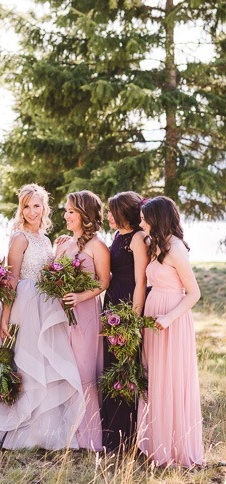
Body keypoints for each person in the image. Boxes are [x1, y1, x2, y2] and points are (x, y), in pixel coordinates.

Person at [0, 184, 86, 450]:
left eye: (36, 205)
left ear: (44, 208)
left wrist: (59, 253)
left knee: (44, 364)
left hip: (45, 305)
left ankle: (37, 432)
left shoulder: (46, 239)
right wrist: (5, 316)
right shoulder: (19, 237)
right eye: (26, 206)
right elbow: (11, 279)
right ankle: (12, 430)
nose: (31, 211)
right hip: (24, 305)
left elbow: (49, 271)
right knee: (26, 367)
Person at [137, 196, 203, 468]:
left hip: (172, 319)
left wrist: (169, 317)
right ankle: (154, 443)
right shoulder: (154, 244)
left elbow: (194, 293)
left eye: (144, 218)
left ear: (157, 219)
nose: (141, 222)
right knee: (154, 378)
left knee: (171, 379)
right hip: (154, 315)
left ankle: (174, 448)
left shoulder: (176, 249)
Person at [55, 190, 110, 452]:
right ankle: (66, 433)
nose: (65, 215)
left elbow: (103, 282)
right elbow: (54, 273)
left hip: (86, 314)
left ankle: (88, 436)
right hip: (62, 315)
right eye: (65, 211)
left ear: (84, 215)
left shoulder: (97, 246)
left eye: (70, 211)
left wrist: (79, 296)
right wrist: (57, 251)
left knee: (84, 371)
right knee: (64, 369)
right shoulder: (65, 243)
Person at [101, 191, 149, 452]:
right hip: (112, 302)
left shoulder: (139, 238)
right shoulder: (117, 235)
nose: (107, 216)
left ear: (123, 212)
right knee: (112, 365)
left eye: (111, 211)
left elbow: (141, 280)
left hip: (129, 304)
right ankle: (112, 432)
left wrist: (133, 319)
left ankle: (127, 436)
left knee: (126, 366)